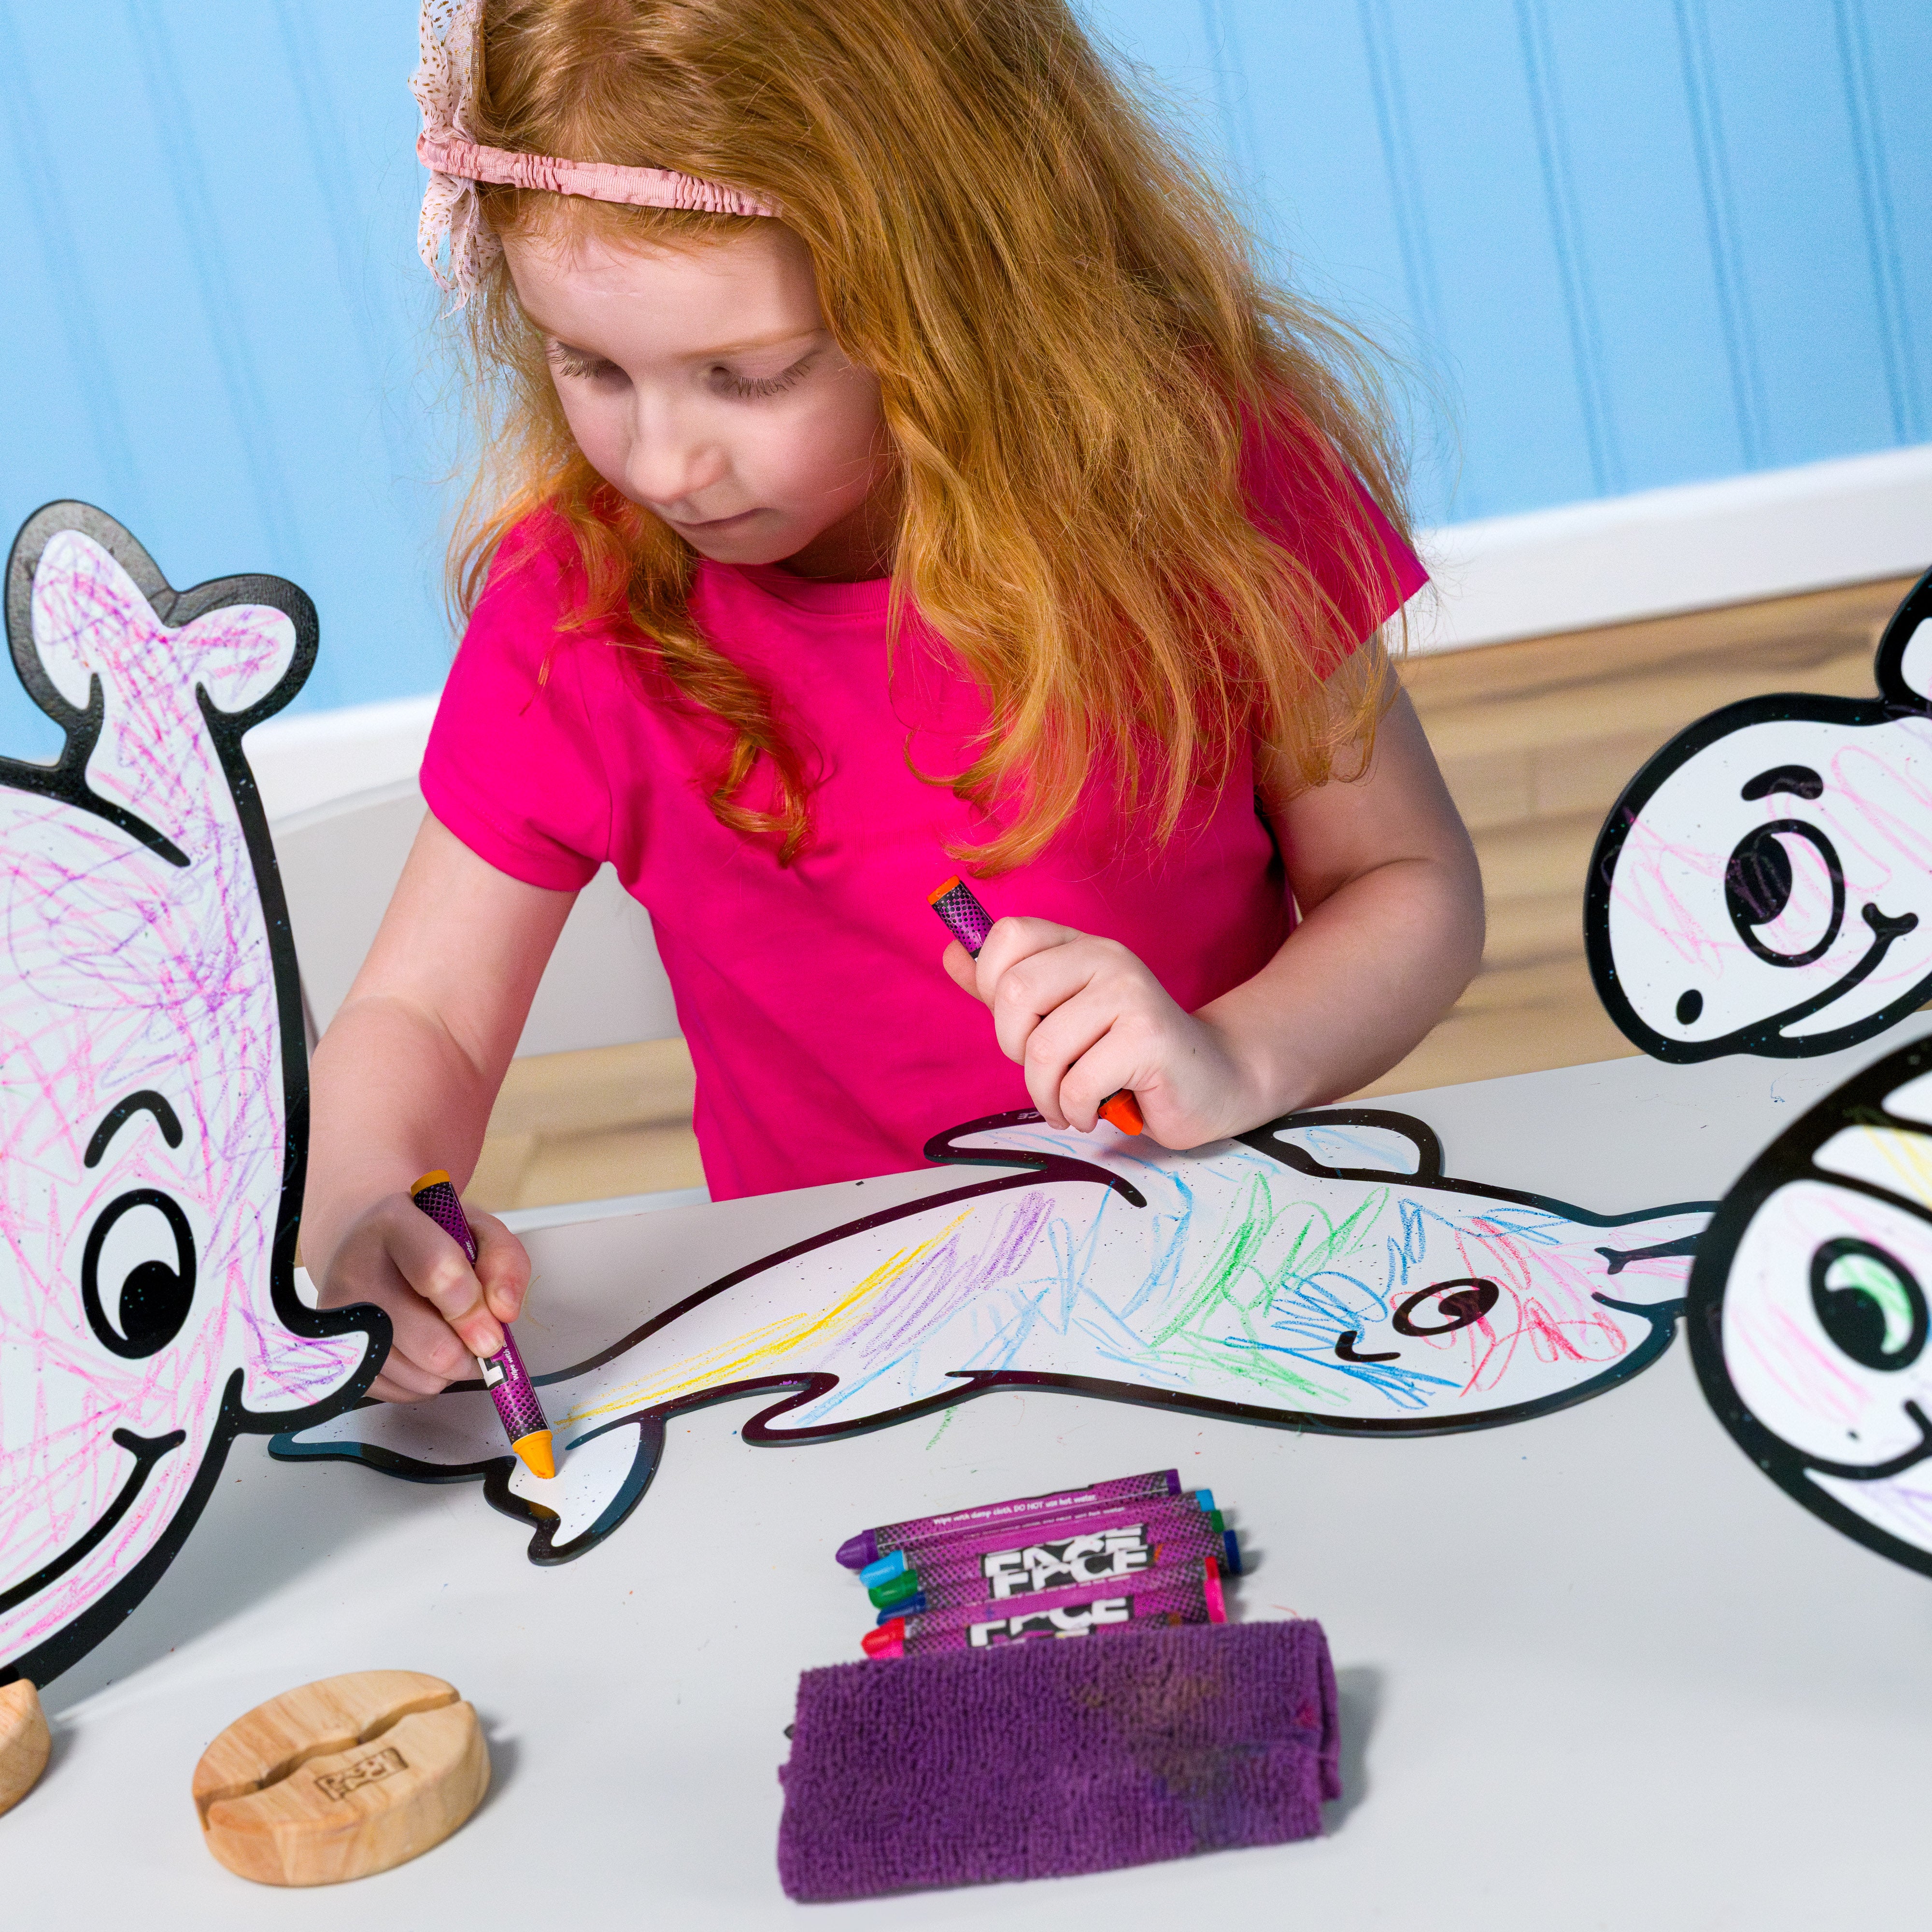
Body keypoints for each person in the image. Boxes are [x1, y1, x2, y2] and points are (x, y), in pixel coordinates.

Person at [305, 0, 1484, 1404]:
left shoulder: (1203, 482)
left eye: (749, 377)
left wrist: (1234, 1055)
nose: (665, 462)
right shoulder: (584, 607)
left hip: (1230, 1268)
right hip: (849, 1336)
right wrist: (363, 1216)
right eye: (592, 367)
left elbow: (1405, 885)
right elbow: (424, 1017)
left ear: (961, 288)